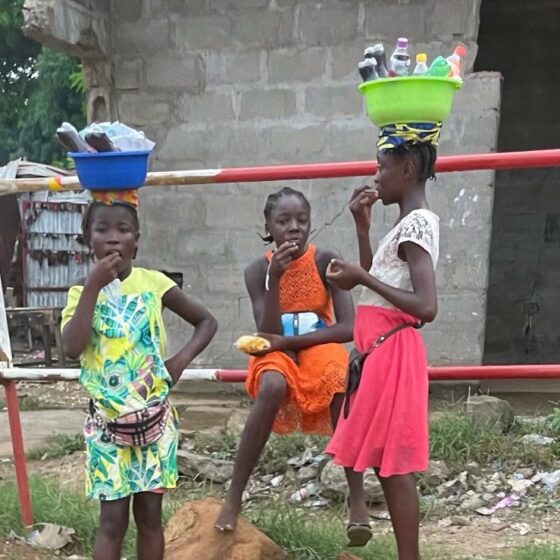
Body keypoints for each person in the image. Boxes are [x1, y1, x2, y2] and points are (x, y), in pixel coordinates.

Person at [61, 189, 217, 560]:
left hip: (154, 424)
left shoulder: (154, 283)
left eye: (124, 229)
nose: (113, 237)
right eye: (102, 229)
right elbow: (72, 346)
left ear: (137, 240)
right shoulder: (80, 292)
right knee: (111, 522)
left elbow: (206, 322)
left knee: (150, 518)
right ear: (88, 238)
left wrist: (178, 363)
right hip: (107, 428)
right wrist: (94, 287)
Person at [326, 123, 441, 558]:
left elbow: (426, 307)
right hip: (380, 350)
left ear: (408, 169)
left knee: (394, 465)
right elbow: (380, 280)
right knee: (384, 460)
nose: (375, 176)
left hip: (394, 352)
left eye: (382, 166)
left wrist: (360, 276)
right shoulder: (405, 223)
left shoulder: (419, 224)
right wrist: (362, 228)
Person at [215, 186, 354, 531]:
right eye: (284, 220)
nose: (294, 227)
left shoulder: (326, 261)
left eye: (301, 220)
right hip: (273, 347)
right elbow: (267, 331)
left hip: (317, 343)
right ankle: (234, 497)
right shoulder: (255, 272)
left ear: (310, 225)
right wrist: (273, 279)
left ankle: (358, 501)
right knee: (273, 383)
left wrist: (295, 342)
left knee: (339, 374)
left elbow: (348, 328)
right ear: (269, 228)